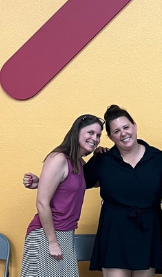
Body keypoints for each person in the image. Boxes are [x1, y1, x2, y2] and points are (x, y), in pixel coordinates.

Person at [25, 105, 162, 277]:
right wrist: (43, 183)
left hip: (148, 231)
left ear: (134, 126)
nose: (123, 133)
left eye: (126, 127)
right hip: (113, 232)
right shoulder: (102, 160)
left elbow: (73, 182)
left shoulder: (159, 158)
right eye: (116, 131)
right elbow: (74, 181)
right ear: (110, 137)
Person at [21, 114, 104, 277]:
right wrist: (52, 242)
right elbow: (42, 203)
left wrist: (101, 159)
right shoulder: (58, 158)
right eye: (90, 133)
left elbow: (94, 183)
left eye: (98, 135)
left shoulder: (79, 163)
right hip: (46, 235)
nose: (95, 138)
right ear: (77, 131)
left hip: (66, 234)